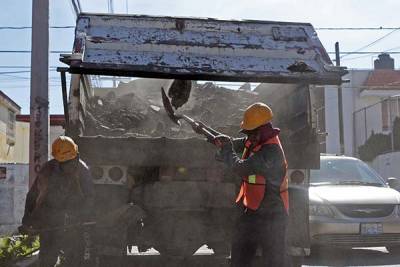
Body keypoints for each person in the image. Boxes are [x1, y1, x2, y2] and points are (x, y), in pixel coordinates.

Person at [194, 102, 289, 267]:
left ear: (261, 130)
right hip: (253, 212)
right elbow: (229, 142)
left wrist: (226, 150)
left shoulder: (270, 153)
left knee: (273, 261)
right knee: (240, 256)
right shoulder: (256, 140)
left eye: (250, 132)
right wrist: (207, 132)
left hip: (272, 215)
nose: (247, 136)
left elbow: (240, 167)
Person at [20, 136, 95, 267]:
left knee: (75, 260)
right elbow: (33, 196)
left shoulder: (83, 172)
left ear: (76, 156)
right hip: (50, 223)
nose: (70, 166)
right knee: (47, 260)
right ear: (58, 161)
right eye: (65, 163)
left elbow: (90, 198)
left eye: (72, 161)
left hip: (74, 224)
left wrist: (80, 217)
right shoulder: (48, 170)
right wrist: (28, 220)